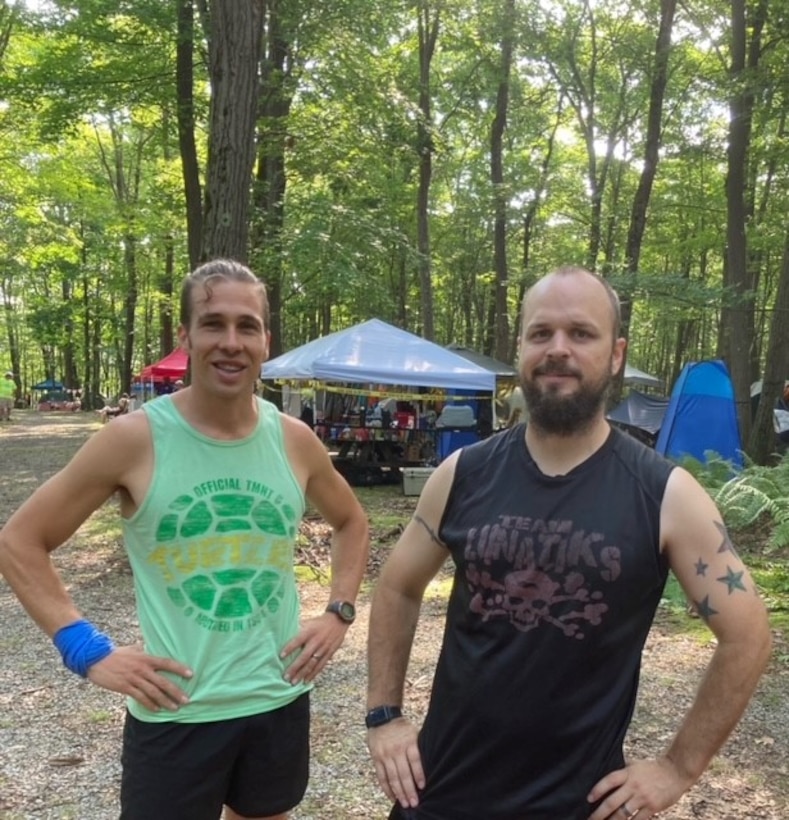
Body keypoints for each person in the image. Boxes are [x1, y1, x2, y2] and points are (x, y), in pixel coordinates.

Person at [366, 265, 771, 820]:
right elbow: (397, 585)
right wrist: (385, 715)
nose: (558, 349)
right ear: (522, 348)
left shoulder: (664, 495)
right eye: (541, 333)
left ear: (616, 353)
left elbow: (747, 637)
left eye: (581, 334)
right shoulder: (462, 474)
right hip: (439, 795)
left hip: (578, 806)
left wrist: (678, 768)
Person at [0, 258, 369, 820]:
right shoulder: (134, 439)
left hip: (278, 696)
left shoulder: (294, 440)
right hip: (176, 709)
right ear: (186, 337)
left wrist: (338, 612)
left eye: (247, 326)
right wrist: (85, 649)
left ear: (265, 340)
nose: (231, 342)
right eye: (213, 323)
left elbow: (352, 521)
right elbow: (19, 541)